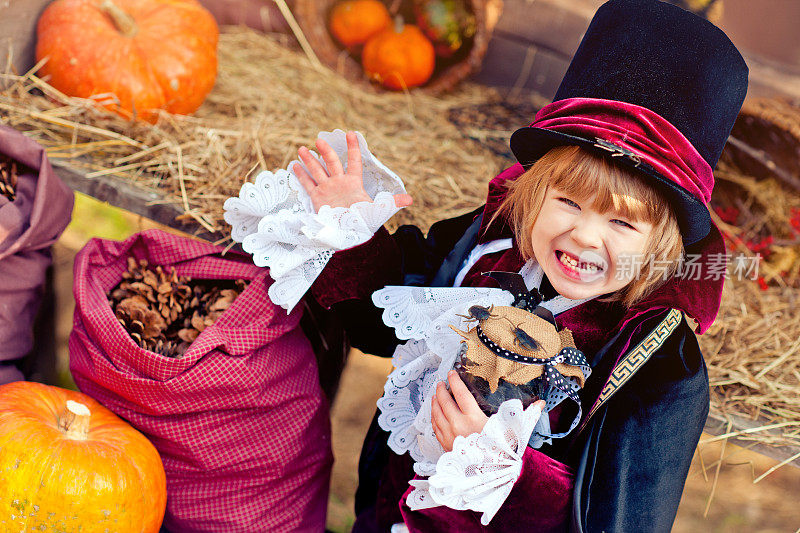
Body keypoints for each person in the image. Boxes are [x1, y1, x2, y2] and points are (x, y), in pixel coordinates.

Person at [234, 0, 748, 530]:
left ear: (662, 244)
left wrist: (499, 468)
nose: (584, 235)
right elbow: (381, 322)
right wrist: (349, 234)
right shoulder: (488, 241)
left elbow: (615, 522)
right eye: (568, 202)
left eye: (623, 223)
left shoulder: (660, 371)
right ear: (534, 190)